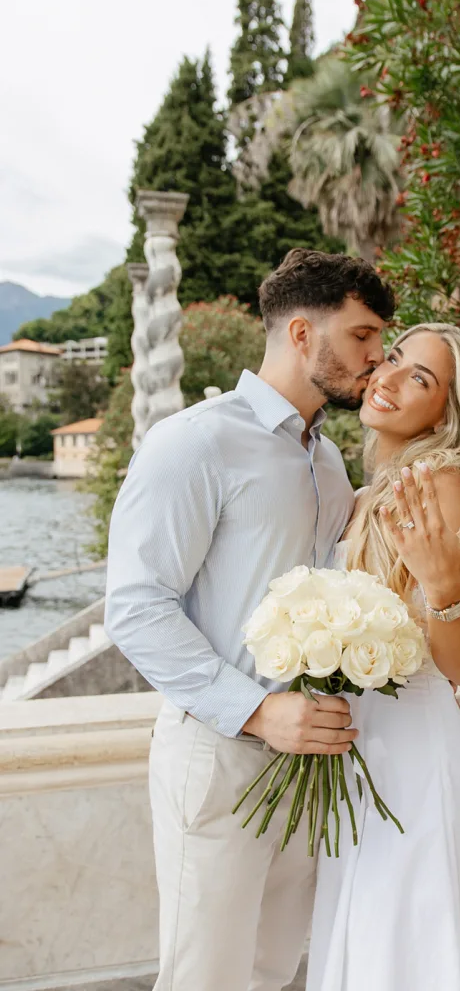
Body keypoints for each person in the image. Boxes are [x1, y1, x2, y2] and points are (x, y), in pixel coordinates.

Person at [104, 248, 395, 991]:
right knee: (205, 976)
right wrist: (259, 711)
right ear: (301, 334)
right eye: (362, 335)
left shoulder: (328, 461)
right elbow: (135, 606)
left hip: (313, 758)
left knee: (272, 969)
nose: (376, 356)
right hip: (220, 753)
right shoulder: (193, 441)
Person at [306, 323, 460, 991]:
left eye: (421, 379)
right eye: (396, 360)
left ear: (445, 413)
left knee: (409, 954)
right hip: (361, 754)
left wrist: (442, 588)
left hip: (414, 763)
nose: (391, 379)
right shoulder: (368, 491)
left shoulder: (444, 488)